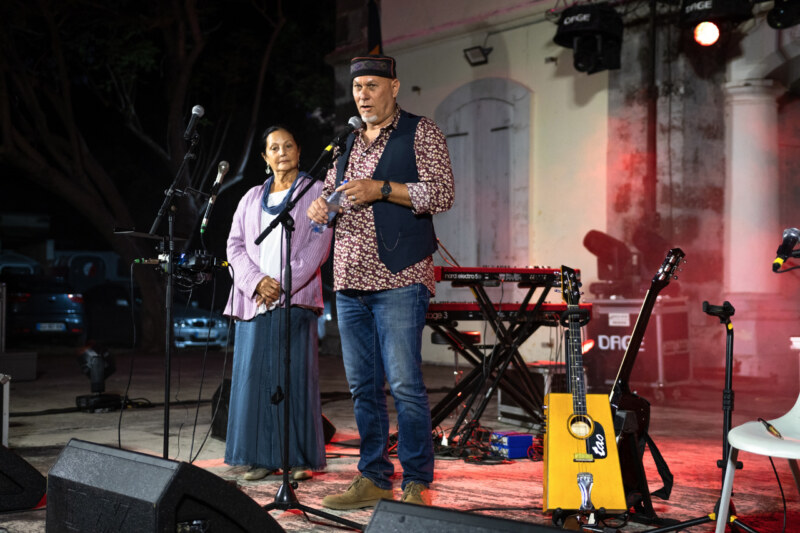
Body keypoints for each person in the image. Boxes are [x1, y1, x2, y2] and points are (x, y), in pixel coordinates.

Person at [307, 55, 455, 508]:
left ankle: (416, 481)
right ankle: (372, 476)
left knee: (406, 384)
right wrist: (322, 208)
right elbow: (335, 196)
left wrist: (382, 188)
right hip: (350, 281)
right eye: (357, 88)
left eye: (372, 86)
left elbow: (442, 192)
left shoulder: (420, 131)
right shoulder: (347, 142)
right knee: (362, 388)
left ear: (394, 87)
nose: (364, 95)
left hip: (399, 277)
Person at [224, 125, 331, 482]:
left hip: (294, 301)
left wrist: (281, 286)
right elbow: (234, 246)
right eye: (274, 147)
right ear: (265, 157)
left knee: (294, 379)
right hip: (254, 301)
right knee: (255, 381)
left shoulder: (316, 192)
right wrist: (256, 283)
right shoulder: (251, 197)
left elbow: (318, 246)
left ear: (299, 151)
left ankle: (298, 459)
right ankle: (261, 458)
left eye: (288, 145)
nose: (282, 152)